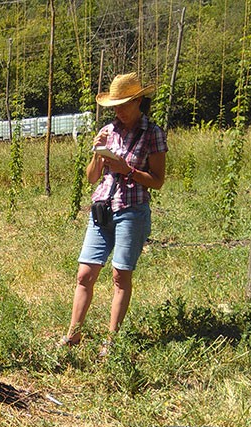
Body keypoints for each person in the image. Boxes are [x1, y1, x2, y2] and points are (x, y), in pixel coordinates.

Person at [60, 72, 167, 356]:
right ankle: (73, 335)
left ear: (138, 102)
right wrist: (97, 152)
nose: (118, 111)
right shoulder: (109, 130)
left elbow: (158, 181)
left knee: (120, 275)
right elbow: (91, 177)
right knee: (85, 273)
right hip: (102, 209)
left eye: (123, 105)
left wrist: (127, 170)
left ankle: (112, 340)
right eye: (114, 106)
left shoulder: (153, 133)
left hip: (131, 211)